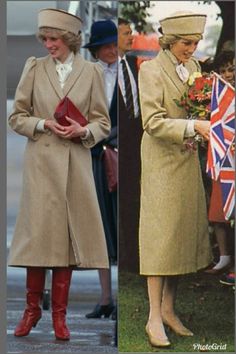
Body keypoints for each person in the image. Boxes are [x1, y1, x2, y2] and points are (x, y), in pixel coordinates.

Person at [8, 8, 110, 341]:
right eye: (45, 39)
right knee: (39, 239)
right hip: (41, 165)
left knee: (66, 243)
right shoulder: (34, 69)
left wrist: (83, 130)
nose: (48, 45)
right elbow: (16, 116)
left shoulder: (91, 72)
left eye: (53, 39)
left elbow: (103, 123)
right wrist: (42, 123)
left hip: (75, 168)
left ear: (69, 39)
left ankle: (60, 318)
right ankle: (31, 310)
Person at [138, 11, 212, 347]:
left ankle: (168, 309)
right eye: (186, 43)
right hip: (161, 164)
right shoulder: (151, 70)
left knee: (180, 236)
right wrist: (192, 127)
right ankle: (153, 318)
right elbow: (152, 122)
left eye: (196, 42)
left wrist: (204, 125)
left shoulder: (195, 69)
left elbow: (199, 112)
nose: (193, 49)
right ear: (169, 41)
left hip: (186, 161)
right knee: (160, 239)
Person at [83, 20, 117, 319]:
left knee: (121, 224)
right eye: (104, 45)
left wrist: (112, 135)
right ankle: (105, 297)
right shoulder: (88, 74)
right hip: (94, 156)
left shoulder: (130, 71)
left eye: (112, 43)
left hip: (123, 157)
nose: (110, 49)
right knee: (100, 228)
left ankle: (118, 295)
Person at [205, 50, 235, 275]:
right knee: (218, 209)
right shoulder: (215, 94)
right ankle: (224, 257)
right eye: (223, 71)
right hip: (222, 156)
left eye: (232, 69)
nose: (228, 74)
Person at [118, 17, 143, 272]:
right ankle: (125, 257)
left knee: (136, 200)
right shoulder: (105, 70)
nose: (131, 37)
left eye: (131, 32)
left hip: (138, 143)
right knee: (123, 202)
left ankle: (135, 256)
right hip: (117, 146)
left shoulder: (134, 64)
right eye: (126, 33)